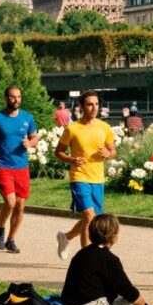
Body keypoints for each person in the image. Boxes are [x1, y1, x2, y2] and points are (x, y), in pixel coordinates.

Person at [60, 214, 153, 305]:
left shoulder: (80, 254)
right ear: (114, 235)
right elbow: (128, 290)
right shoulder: (109, 259)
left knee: (119, 300)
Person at [55, 90, 116, 258]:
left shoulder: (105, 128)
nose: (94, 108)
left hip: (98, 179)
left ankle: (65, 237)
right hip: (79, 177)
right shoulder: (72, 128)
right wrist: (71, 159)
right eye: (89, 104)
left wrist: (107, 153)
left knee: (91, 220)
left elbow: (113, 152)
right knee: (89, 216)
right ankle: (86, 258)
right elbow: (58, 152)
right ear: (81, 106)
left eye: (96, 104)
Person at [0, 85, 39, 254]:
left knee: (20, 205)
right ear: (6, 98)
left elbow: (34, 137)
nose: (16, 100)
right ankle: (0, 227)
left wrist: (30, 143)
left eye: (19, 97)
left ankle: (11, 240)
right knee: (10, 202)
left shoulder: (28, 117)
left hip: (22, 167)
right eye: (13, 97)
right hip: (3, 166)